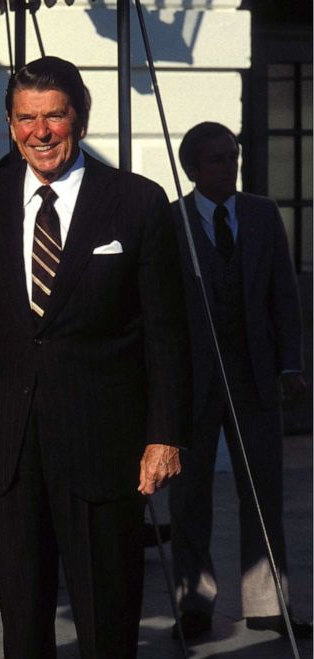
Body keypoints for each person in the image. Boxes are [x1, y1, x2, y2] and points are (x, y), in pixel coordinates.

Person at [0, 56, 191, 658]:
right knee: (24, 622)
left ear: (79, 119)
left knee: (107, 620)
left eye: (54, 116)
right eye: (26, 118)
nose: (41, 131)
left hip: (104, 446)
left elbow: (168, 332)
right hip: (11, 447)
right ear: (11, 125)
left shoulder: (137, 201)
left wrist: (164, 435)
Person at [168, 121, 311, 641]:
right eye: (216, 159)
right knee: (190, 496)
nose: (229, 167)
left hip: (254, 376)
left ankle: (269, 604)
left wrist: (290, 365)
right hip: (194, 381)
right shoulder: (172, 222)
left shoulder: (261, 214)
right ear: (192, 168)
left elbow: (283, 294)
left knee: (263, 489)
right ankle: (195, 603)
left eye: (232, 157)